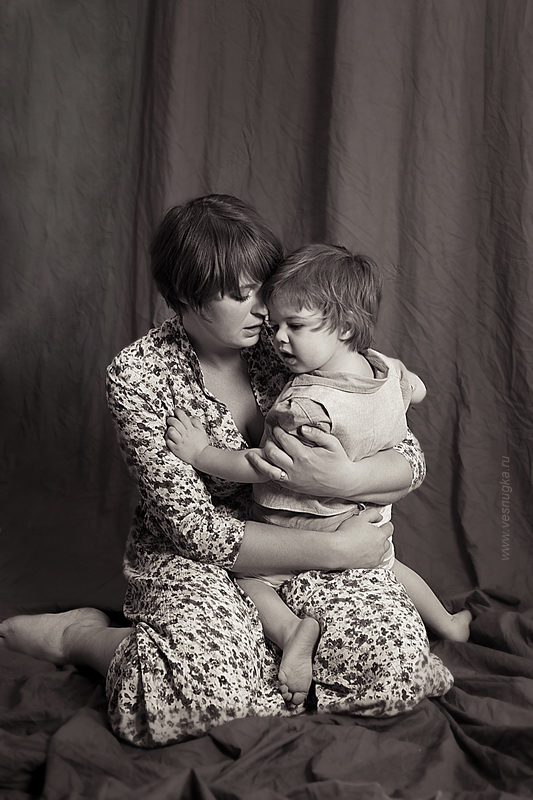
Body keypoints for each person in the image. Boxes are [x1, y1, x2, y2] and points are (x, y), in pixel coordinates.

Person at [0, 195, 453, 747]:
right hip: (208, 556)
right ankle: (82, 638)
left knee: (397, 673)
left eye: (264, 289)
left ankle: (276, 647)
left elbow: (403, 450)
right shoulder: (139, 374)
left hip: (317, 524)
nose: (262, 309)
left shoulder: (289, 337)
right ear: (186, 297)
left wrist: (347, 482)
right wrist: (337, 550)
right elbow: (195, 530)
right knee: (203, 696)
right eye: (240, 295)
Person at [166, 243, 471, 706]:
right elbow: (417, 390)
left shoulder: (303, 405)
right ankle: (447, 622)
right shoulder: (386, 370)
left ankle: (291, 631)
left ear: (345, 325)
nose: (278, 338)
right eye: (275, 326)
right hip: (362, 520)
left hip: (299, 525)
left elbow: (260, 464)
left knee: (249, 581)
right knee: (387, 564)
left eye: (295, 326)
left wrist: (201, 453)